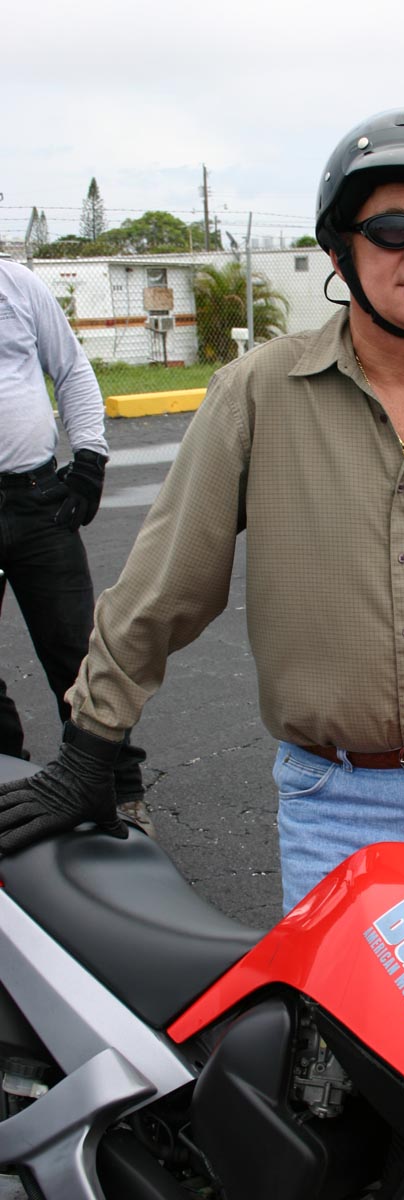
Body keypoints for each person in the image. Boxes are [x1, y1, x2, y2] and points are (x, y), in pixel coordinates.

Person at [0, 109, 404, 911]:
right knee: (334, 1001)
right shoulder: (257, 396)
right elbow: (163, 588)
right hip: (334, 805)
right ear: (340, 250)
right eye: (392, 229)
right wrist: (91, 748)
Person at [0, 256, 146, 825]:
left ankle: (119, 790)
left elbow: (71, 368)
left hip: (36, 498)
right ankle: (7, 779)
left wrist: (89, 456)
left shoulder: (16, 284)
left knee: (78, 655)